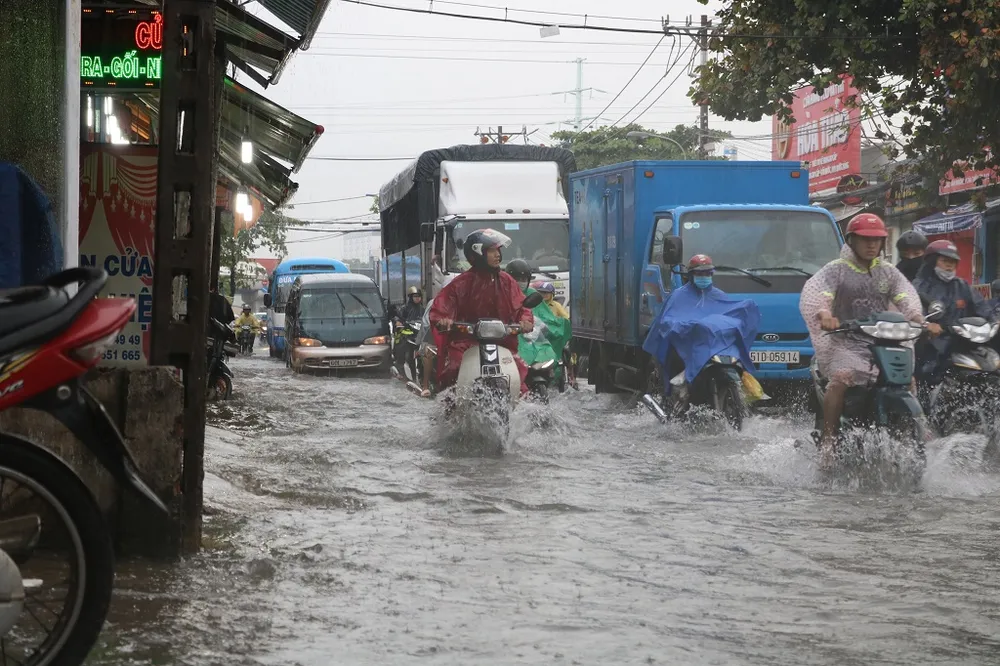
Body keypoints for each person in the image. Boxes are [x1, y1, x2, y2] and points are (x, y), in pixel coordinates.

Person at [799, 213, 929, 466]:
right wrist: (825, 314)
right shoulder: (836, 270)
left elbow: (905, 295)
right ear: (851, 240)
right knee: (840, 380)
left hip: (882, 342)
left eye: (877, 240)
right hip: (845, 341)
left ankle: (917, 431)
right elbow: (819, 295)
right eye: (865, 239)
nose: (872, 245)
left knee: (907, 380)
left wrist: (917, 317)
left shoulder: (888, 272)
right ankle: (829, 441)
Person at [643, 254, 760, 403]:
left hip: (714, 348)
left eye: (707, 273)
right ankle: (672, 400)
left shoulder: (719, 295)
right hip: (685, 346)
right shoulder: (679, 296)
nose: (704, 277)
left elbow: (729, 315)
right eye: (700, 273)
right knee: (674, 365)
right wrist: (688, 326)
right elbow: (668, 321)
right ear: (691, 275)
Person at [430, 229, 534, 395]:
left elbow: (521, 306)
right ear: (477, 253)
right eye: (492, 251)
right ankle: (449, 409)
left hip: (502, 341)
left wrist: (526, 320)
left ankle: (524, 410)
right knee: (453, 369)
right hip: (466, 342)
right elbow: (442, 307)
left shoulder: (507, 281)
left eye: (498, 250)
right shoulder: (460, 284)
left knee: (520, 373)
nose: (497, 255)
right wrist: (444, 320)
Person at [913, 239, 992, 384]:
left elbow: (982, 307)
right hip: (933, 344)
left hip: (962, 340)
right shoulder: (919, 287)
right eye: (945, 261)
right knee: (929, 373)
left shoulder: (962, 286)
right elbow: (913, 313)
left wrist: (994, 320)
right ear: (932, 261)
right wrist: (927, 325)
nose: (950, 265)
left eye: (953, 262)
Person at [392, 286, 425, 382]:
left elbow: (427, 319)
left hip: (419, 336)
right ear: (411, 297)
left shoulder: (422, 309)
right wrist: (398, 322)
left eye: (419, 296)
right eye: (415, 296)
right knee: (403, 351)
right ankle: (400, 365)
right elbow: (397, 317)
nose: (417, 298)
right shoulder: (404, 308)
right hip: (406, 336)